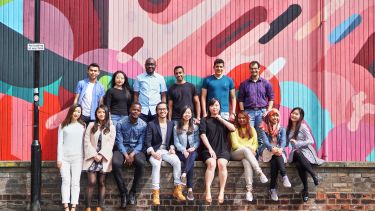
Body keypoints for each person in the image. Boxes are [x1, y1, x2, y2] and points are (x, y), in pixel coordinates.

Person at [144, 102, 186, 205]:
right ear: (157, 111)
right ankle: (155, 192)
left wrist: (172, 148)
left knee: (177, 161)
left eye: (164, 109)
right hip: (154, 151)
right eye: (160, 109)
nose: (162, 111)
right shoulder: (151, 124)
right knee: (156, 164)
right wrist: (153, 153)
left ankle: (177, 189)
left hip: (166, 151)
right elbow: (147, 141)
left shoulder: (171, 124)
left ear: (167, 110)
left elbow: (172, 140)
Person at [200, 98, 236, 204]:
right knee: (211, 163)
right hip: (209, 149)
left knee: (221, 164)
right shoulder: (205, 120)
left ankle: (221, 191)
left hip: (223, 149)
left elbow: (233, 129)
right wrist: (210, 149)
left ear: (220, 107)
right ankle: (208, 191)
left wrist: (220, 119)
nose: (214, 107)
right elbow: (202, 135)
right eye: (212, 105)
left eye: (216, 105)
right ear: (208, 107)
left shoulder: (223, 120)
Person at [112, 102, 147, 208]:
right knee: (115, 163)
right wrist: (126, 155)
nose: (135, 111)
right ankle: (123, 193)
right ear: (129, 110)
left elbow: (141, 143)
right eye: (134, 109)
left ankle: (132, 192)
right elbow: (119, 141)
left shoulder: (143, 125)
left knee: (141, 163)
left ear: (140, 112)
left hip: (136, 150)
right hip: (122, 149)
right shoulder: (121, 123)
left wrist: (132, 154)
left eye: (138, 110)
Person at [286, 107, 324, 202]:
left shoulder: (303, 126)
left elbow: (311, 140)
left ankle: (306, 190)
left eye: (296, 114)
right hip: (295, 152)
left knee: (299, 164)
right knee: (297, 152)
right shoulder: (288, 128)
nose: (293, 115)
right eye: (293, 113)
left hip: (306, 151)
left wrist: (298, 143)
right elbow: (285, 143)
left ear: (300, 117)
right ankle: (313, 175)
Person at [230, 111, 268, 202]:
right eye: (239, 118)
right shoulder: (234, 129)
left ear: (247, 119)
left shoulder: (252, 129)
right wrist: (248, 149)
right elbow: (235, 145)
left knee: (247, 162)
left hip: (248, 155)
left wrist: (252, 150)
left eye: (243, 118)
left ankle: (249, 191)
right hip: (236, 153)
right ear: (237, 119)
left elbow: (256, 144)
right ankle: (259, 172)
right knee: (246, 151)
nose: (241, 120)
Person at [83, 105, 116, 211]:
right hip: (92, 157)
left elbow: (111, 143)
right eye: (99, 112)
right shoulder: (91, 125)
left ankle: (99, 207)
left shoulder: (111, 126)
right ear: (96, 114)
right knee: (91, 182)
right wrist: (94, 155)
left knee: (102, 182)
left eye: (103, 112)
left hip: (104, 158)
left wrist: (101, 155)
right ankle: (87, 207)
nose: (101, 114)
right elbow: (86, 141)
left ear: (107, 114)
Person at [238, 61, 274, 155]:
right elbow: (240, 99)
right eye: (252, 68)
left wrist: (268, 111)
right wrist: (243, 112)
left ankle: (260, 157)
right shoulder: (244, 84)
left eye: (255, 68)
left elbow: (271, 98)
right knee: (249, 135)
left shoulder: (266, 83)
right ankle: (252, 156)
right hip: (248, 112)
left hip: (262, 112)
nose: (254, 70)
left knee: (261, 136)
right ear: (249, 69)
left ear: (259, 69)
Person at [57, 105, 86, 211]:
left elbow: (84, 143)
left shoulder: (83, 126)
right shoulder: (63, 125)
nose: (76, 113)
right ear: (70, 112)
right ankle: (66, 205)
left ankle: (73, 206)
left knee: (75, 182)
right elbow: (60, 143)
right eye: (75, 111)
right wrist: (59, 159)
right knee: (65, 180)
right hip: (64, 158)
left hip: (78, 158)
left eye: (79, 111)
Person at [259, 108, 291, 201]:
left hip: (278, 152)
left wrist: (280, 149)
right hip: (267, 150)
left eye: (277, 115)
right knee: (276, 156)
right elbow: (265, 142)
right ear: (269, 116)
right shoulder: (263, 127)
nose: (275, 117)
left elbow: (283, 141)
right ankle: (284, 176)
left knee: (275, 161)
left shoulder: (282, 129)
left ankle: (272, 189)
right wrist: (273, 149)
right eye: (273, 115)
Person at [173, 106, 200, 201]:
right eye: (185, 112)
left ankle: (183, 174)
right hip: (181, 152)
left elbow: (197, 141)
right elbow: (176, 142)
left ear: (191, 114)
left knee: (192, 155)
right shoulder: (176, 127)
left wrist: (193, 148)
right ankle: (190, 190)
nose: (187, 114)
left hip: (192, 152)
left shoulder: (195, 127)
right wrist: (183, 150)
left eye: (189, 112)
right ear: (182, 114)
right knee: (190, 162)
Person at [133, 57, 167, 123]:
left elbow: (163, 95)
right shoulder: (139, 78)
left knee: (155, 131)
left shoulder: (160, 78)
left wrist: (163, 108)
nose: (150, 66)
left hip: (156, 111)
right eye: (148, 64)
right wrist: (136, 108)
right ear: (145, 65)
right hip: (142, 110)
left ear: (155, 66)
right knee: (142, 130)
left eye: (152, 64)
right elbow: (136, 95)